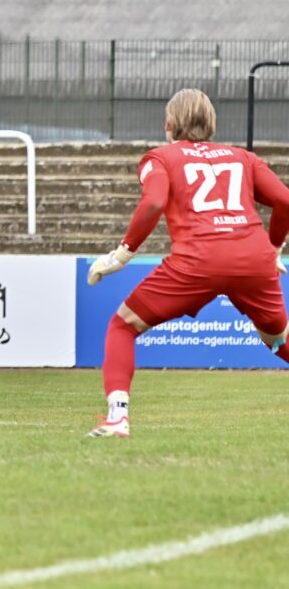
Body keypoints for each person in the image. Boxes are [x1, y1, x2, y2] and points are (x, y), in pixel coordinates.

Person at [86, 88, 289, 437]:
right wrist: (273, 249)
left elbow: (151, 204)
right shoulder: (243, 158)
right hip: (253, 258)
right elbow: (285, 200)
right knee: (277, 340)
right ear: (211, 122)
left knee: (123, 326)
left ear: (169, 124)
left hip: (198, 259)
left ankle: (118, 417)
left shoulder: (161, 157)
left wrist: (121, 255)